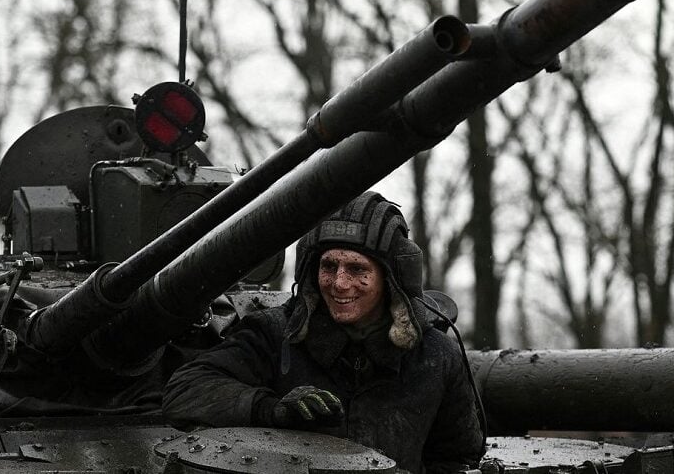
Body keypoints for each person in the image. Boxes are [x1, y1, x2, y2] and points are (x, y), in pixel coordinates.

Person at [163, 191, 484, 473]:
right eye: (328, 266)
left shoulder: (435, 356)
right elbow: (185, 390)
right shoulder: (278, 335)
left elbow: (457, 459)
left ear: (393, 278)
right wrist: (270, 409)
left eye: (357, 269)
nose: (339, 283)